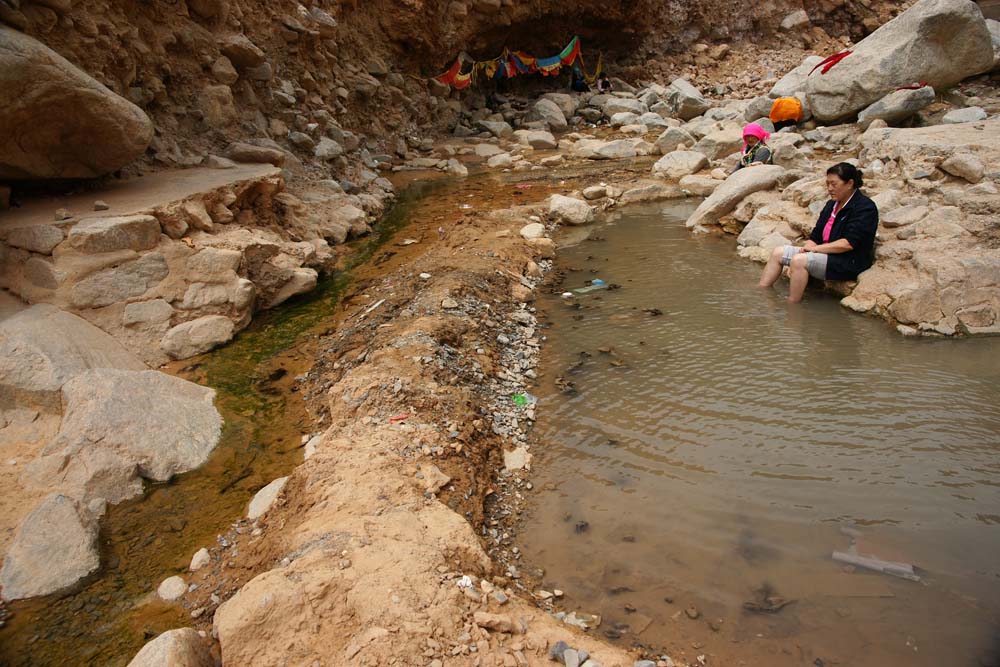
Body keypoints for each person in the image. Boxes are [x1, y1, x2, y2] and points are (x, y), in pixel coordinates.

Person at [758, 162, 879, 303]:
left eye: (834, 184)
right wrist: (807, 249)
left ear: (850, 183)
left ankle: (792, 305)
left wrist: (814, 250)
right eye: (827, 184)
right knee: (778, 252)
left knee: (798, 261)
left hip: (848, 261)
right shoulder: (831, 205)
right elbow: (816, 235)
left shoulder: (865, 207)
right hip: (825, 253)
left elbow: (848, 244)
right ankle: (761, 294)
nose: (829, 189)